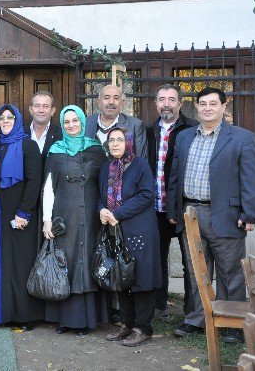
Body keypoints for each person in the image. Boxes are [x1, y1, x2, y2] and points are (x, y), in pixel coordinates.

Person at [167, 87, 255, 343]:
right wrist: (175, 210)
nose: (208, 108)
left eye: (213, 104)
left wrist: (250, 213)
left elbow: (251, 178)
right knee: (197, 271)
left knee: (230, 272)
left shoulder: (242, 138)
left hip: (226, 215)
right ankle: (196, 318)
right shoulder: (184, 137)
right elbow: (174, 175)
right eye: (203, 104)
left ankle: (233, 323)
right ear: (196, 107)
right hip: (190, 213)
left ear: (223, 106)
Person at [42, 105, 107, 335]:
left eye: (75, 121)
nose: (71, 125)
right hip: (64, 215)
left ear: (82, 122)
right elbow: (48, 188)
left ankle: (86, 321)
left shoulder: (96, 150)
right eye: (67, 122)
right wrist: (46, 219)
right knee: (65, 263)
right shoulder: (55, 151)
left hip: (90, 216)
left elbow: (104, 184)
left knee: (86, 262)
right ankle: (64, 320)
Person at [99, 128, 161, 347]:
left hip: (139, 230)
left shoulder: (139, 165)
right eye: (111, 140)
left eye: (120, 140)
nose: (115, 144)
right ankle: (126, 324)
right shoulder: (106, 167)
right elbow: (100, 196)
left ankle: (143, 327)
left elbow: (147, 195)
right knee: (122, 277)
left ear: (128, 143)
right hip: (116, 231)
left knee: (141, 277)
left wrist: (116, 213)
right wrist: (102, 211)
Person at [0, 104, 43, 330]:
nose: (6, 121)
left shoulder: (28, 146)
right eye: (2, 118)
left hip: (20, 215)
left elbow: (34, 181)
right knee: (2, 263)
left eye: (10, 117)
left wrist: (24, 212)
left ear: (18, 120)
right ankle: (3, 313)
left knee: (20, 264)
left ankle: (25, 317)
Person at [145, 85, 197, 319]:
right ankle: (159, 306)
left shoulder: (192, 130)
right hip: (155, 208)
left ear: (180, 103)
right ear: (156, 103)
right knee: (157, 259)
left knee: (191, 261)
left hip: (184, 206)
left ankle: (192, 309)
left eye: (171, 99)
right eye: (162, 99)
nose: (166, 103)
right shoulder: (148, 132)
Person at [85, 84, 147, 158]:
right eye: (106, 98)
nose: (111, 102)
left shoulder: (135, 126)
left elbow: (141, 160)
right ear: (98, 102)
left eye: (116, 98)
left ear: (122, 102)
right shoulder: (85, 123)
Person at [28, 91, 63, 160]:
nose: (41, 110)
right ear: (31, 110)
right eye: (37, 106)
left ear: (52, 111)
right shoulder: (21, 133)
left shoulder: (61, 134)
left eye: (46, 106)